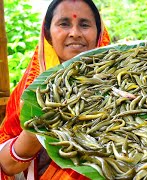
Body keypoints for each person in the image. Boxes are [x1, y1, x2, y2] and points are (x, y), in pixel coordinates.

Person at [0, 0, 110, 179]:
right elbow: (7, 166)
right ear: (48, 34)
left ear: (99, 33)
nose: (74, 33)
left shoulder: (123, 86)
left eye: (84, 24)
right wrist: (38, 128)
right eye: (64, 24)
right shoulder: (30, 92)